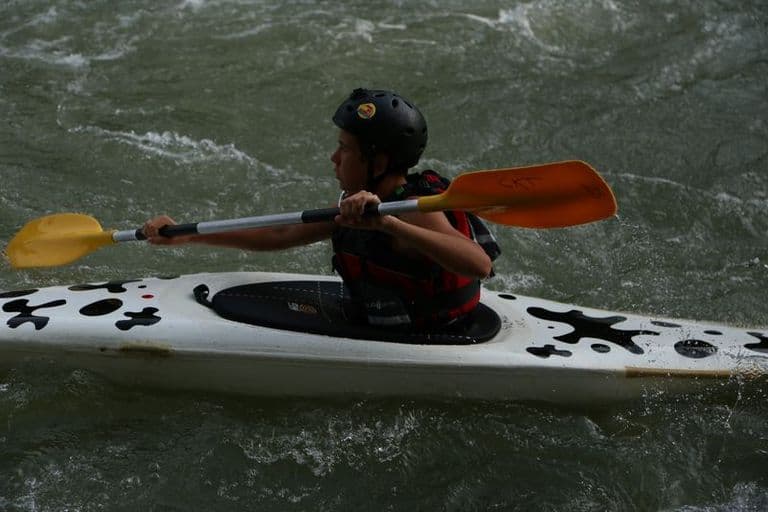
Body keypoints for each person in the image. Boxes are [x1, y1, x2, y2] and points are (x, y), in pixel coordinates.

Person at [143, 88, 499, 330]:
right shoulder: (358, 204)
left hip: (441, 331)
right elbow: (279, 233)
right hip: (391, 319)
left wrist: (388, 225)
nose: (334, 158)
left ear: (379, 162)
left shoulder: (412, 209)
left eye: (344, 148)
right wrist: (187, 235)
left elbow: (479, 264)